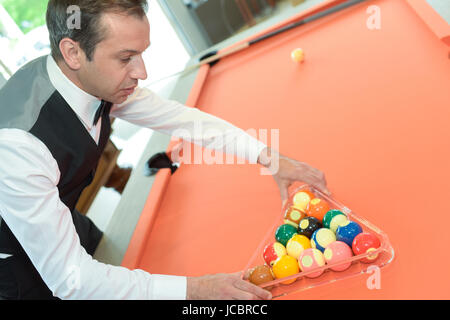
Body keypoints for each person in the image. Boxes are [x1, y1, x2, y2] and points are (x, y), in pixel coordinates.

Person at [0, 0, 330, 300]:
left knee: (117, 258)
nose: (142, 73)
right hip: (14, 272)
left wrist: (271, 159)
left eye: (142, 54)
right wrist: (196, 289)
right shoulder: (19, 146)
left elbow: (183, 120)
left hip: (65, 220)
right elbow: (72, 280)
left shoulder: (88, 76)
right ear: (73, 52)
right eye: (126, 58)